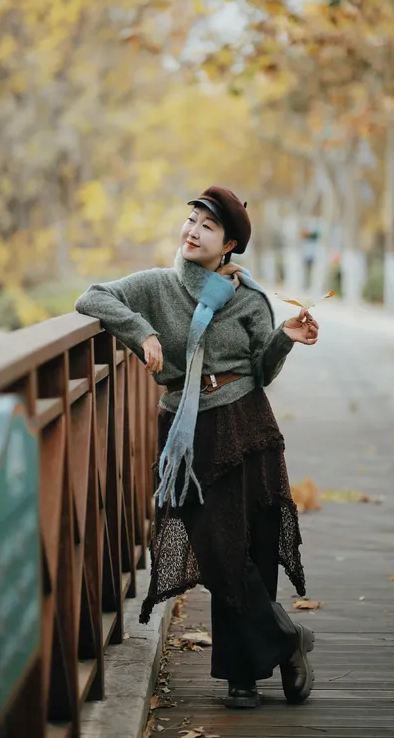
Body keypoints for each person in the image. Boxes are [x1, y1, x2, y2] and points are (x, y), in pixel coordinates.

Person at [75, 185, 319, 709]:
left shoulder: (250, 299)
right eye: (191, 220)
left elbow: (261, 372)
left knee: (249, 545)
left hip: (246, 422)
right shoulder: (158, 286)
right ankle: (288, 639)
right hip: (185, 435)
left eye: (207, 227)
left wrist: (284, 338)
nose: (192, 231)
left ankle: (242, 678)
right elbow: (91, 296)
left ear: (228, 243)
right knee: (216, 548)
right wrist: (141, 334)